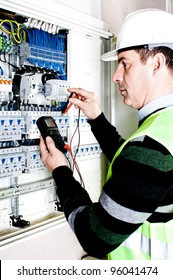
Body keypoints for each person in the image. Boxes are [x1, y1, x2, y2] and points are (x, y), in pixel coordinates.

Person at [39, 9, 173, 260]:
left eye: (125, 63)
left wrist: (60, 171)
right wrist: (97, 119)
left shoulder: (152, 148)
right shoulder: (164, 127)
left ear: (156, 63)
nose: (116, 76)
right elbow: (135, 169)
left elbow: (95, 237)